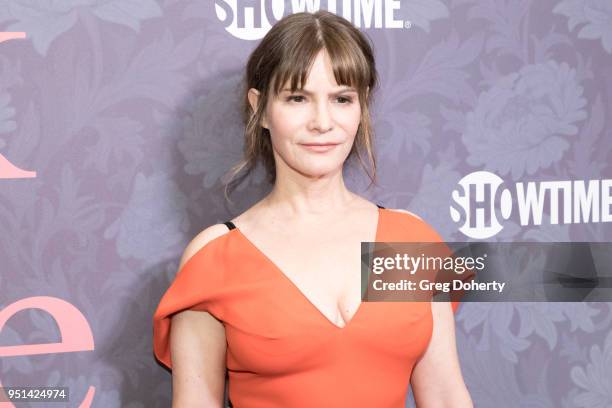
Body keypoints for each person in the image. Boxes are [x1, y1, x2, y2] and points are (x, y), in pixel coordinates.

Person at [153, 10, 472, 408]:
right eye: (298, 98)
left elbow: (444, 396)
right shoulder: (215, 257)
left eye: (341, 99)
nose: (323, 122)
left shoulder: (409, 241)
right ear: (261, 107)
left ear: (361, 108)